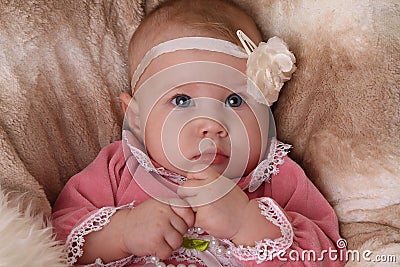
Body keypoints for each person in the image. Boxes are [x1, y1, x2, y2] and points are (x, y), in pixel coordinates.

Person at [52, 0, 345, 266]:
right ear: (137, 118)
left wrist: (246, 223)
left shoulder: (276, 177)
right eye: (182, 101)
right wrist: (123, 232)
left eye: (235, 100)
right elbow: (55, 243)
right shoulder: (117, 168)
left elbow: (328, 254)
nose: (212, 124)